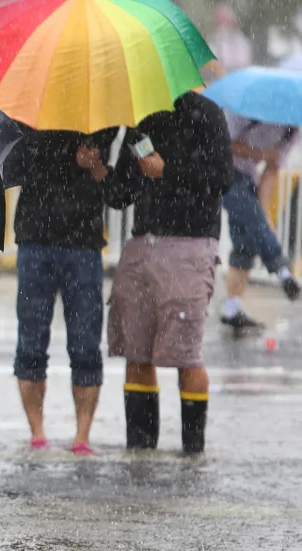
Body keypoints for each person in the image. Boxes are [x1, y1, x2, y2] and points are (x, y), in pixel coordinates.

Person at [107, 92, 234, 455]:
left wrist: (169, 170)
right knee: (137, 352)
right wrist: (102, 173)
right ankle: (141, 449)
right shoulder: (142, 118)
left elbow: (222, 177)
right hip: (143, 242)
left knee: (185, 354)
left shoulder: (207, 113)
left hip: (192, 243)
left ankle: (192, 450)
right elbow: (122, 192)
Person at [13, 128, 124, 456]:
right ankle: (38, 432)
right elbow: (16, 165)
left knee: (86, 345)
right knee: (31, 343)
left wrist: (96, 167)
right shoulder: (31, 112)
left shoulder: (102, 118)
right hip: (35, 239)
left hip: (83, 244)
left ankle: (82, 436)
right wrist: (61, 159)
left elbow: (116, 193)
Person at [218, 112, 300, 331]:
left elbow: (272, 170)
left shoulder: (291, 128)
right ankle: (281, 270)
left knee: (246, 241)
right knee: (253, 220)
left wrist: (264, 214)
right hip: (221, 171)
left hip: (247, 178)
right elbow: (223, 142)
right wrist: (261, 153)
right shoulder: (246, 112)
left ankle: (232, 308)